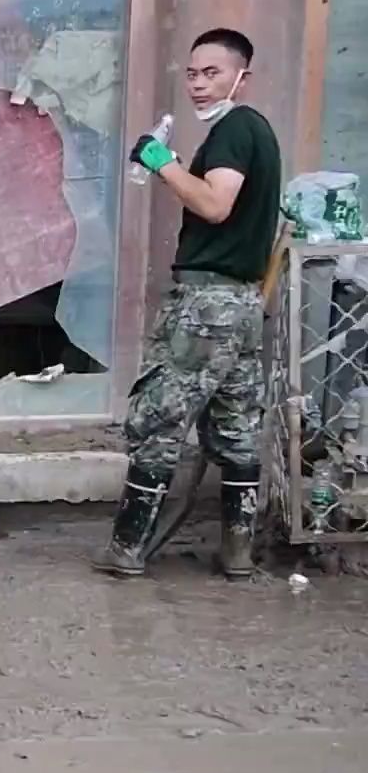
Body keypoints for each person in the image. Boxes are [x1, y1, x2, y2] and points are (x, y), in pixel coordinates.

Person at [96, 28, 281, 580]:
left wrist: (162, 162)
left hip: (208, 305)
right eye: (193, 74)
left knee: (158, 417)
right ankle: (238, 552)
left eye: (213, 73)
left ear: (242, 77)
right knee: (234, 426)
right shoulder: (258, 134)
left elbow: (216, 203)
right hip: (244, 305)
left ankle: (127, 548)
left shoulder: (234, 130)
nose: (199, 85)